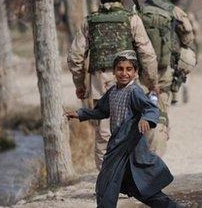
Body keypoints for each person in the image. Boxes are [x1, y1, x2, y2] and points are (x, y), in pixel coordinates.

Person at [65, 51, 179, 208]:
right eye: (120, 69)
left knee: (107, 185)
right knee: (139, 187)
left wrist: (146, 119)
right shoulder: (112, 91)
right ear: (114, 71)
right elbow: (101, 111)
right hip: (118, 144)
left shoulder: (134, 91)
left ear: (135, 72)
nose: (124, 73)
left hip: (129, 145)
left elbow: (151, 108)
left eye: (128, 69)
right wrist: (80, 114)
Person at [67, 0, 159, 170]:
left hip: (100, 79)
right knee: (131, 123)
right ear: (121, 1)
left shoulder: (90, 21)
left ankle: (107, 176)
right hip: (128, 76)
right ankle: (129, 173)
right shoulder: (131, 19)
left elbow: (75, 57)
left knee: (103, 131)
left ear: (101, 1)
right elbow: (147, 53)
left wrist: (80, 84)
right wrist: (151, 81)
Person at [138, 0, 194, 156]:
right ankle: (156, 154)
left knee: (140, 111)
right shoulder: (174, 11)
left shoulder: (136, 11)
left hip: (139, 73)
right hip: (164, 71)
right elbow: (188, 38)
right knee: (160, 111)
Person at [163, 0, 200, 104]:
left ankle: (174, 96)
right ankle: (184, 86)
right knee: (184, 69)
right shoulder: (185, 11)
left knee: (171, 69)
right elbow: (195, 29)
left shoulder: (167, 11)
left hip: (172, 45)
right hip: (186, 45)